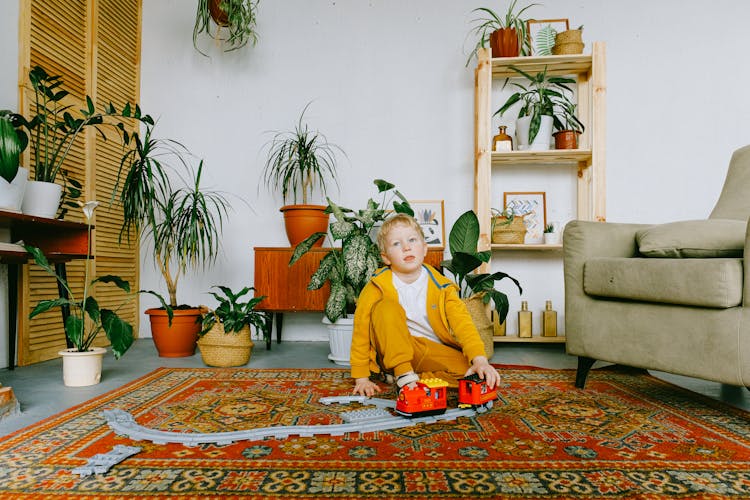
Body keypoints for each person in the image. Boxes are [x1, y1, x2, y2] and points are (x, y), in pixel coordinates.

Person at [350, 213, 501, 397]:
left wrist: (480, 360)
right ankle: (402, 371)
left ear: (424, 248)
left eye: (412, 240)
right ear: (386, 258)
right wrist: (361, 378)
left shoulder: (443, 286)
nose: (406, 247)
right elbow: (360, 331)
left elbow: (463, 324)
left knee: (471, 373)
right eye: (396, 244)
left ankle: (408, 379)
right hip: (394, 349)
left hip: (429, 350)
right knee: (386, 308)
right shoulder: (376, 286)